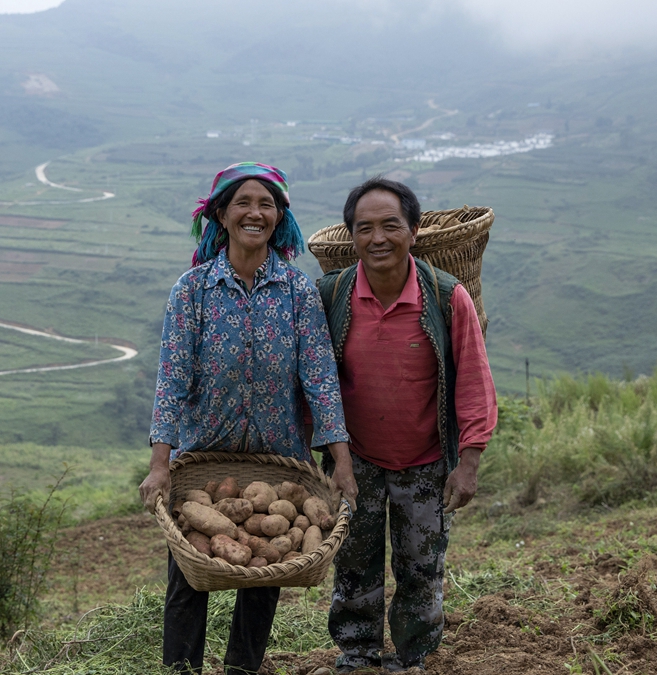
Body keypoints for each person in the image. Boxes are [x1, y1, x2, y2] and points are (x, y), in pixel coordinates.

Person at [139, 162, 359, 675]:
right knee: (189, 576)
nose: (254, 213)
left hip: (278, 455)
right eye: (243, 203)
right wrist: (159, 463)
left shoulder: (298, 292)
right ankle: (180, 670)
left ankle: (242, 667)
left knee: (264, 577)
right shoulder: (192, 290)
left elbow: (320, 380)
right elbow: (171, 378)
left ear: (279, 216)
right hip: (205, 457)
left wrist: (341, 463)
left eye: (266, 204)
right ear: (220, 214)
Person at [317, 176, 498, 673]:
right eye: (365, 228)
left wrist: (469, 462)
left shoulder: (445, 296)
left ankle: (414, 655)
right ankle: (357, 653)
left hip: (427, 464)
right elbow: (313, 381)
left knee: (421, 567)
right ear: (351, 236)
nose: (378, 238)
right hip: (355, 462)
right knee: (353, 563)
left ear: (414, 231)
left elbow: (475, 383)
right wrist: (327, 460)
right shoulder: (330, 295)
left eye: (390, 225)